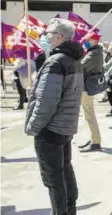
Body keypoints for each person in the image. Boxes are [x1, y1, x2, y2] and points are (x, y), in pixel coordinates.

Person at [24, 19, 84, 215]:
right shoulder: (73, 59)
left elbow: (46, 102)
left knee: (53, 180)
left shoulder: (55, 62)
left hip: (50, 129)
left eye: (48, 33)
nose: (44, 37)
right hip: (65, 127)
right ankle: (70, 209)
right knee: (65, 171)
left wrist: (33, 126)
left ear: (59, 37)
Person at [78, 34, 104, 152]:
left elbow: (81, 66)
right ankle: (94, 138)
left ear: (94, 41)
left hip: (86, 87)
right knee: (88, 114)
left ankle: (96, 141)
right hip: (85, 86)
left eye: (88, 40)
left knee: (89, 114)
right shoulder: (93, 51)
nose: (86, 42)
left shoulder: (94, 53)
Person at [103, 44, 112, 116]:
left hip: (111, 78)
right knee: (109, 95)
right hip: (108, 78)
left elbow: (107, 66)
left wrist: (102, 63)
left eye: (110, 49)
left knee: (111, 96)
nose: (109, 51)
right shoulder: (110, 57)